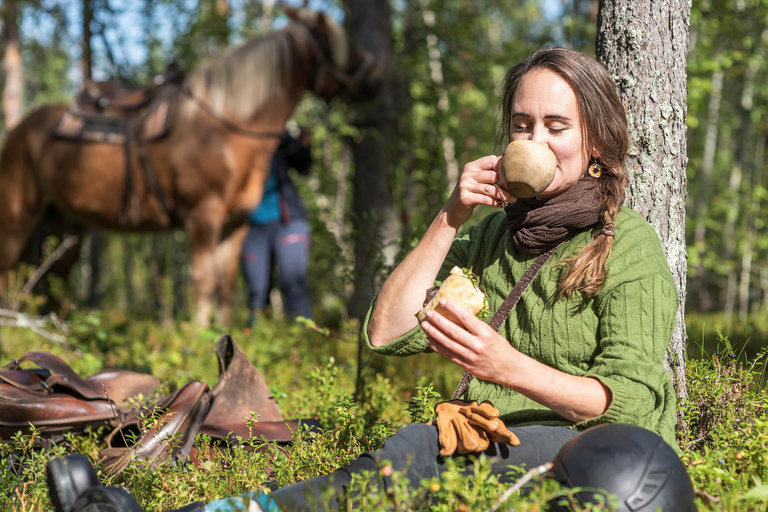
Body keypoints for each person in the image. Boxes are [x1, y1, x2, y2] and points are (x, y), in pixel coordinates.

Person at [47, 46, 681, 512]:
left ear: (596, 141)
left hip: (593, 464)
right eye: (521, 124)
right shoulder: (492, 234)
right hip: (493, 441)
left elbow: (628, 404)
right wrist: (449, 214)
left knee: (407, 454)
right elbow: (387, 331)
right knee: (381, 457)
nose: (534, 139)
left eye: (556, 126)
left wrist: (505, 365)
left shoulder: (626, 246)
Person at [242, 128, 313, 325]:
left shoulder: (277, 134)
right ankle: (256, 344)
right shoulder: (235, 138)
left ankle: (304, 340)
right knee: (257, 292)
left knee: (294, 285)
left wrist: (305, 144)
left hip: (288, 221)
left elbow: (304, 167)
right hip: (252, 228)